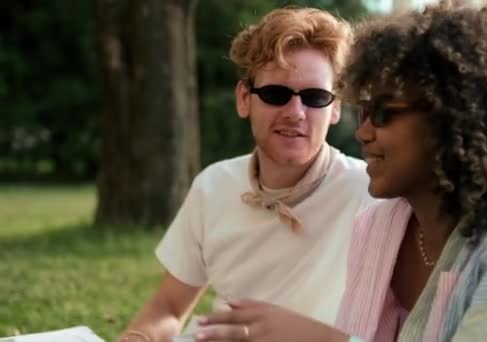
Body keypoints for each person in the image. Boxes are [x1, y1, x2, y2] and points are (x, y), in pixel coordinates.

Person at [195, 1, 487, 341]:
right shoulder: (379, 225)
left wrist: (315, 337)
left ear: (454, 120)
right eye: (363, 112)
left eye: (385, 113)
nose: (365, 132)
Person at [117, 7, 374, 342]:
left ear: (336, 108)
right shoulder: (214, 185)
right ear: (243, 99)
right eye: (275, 94)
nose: (295, 113)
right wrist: (140, 338)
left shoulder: (370, 194)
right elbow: (168, 307)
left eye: (315, 97)